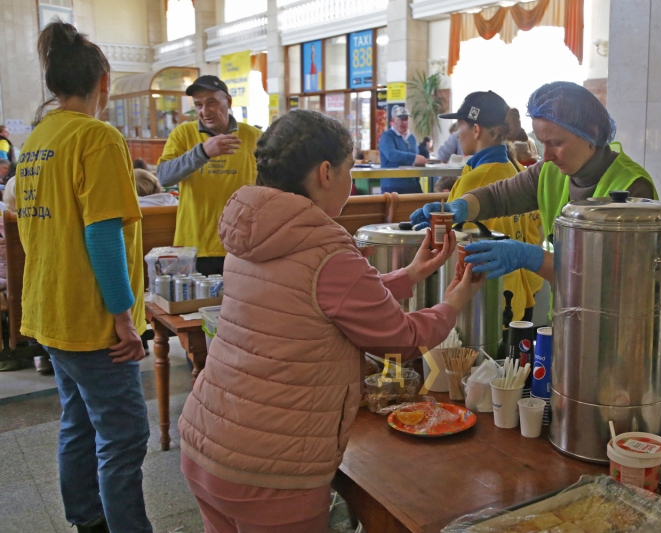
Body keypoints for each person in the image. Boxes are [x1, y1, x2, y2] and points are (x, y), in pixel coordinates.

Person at [178, 109, 485, 532]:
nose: (352, 182)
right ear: (325, 173)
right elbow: (401, 339)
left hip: (206, 444)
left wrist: (412, 275)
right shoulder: (327, 252)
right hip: (272, 473)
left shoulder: (251, 235)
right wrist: (456, 298)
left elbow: (325, 298)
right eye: (350, 169)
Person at [411, 81, 661, 368]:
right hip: (578, 329)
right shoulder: (551, 171)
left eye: (556, 143)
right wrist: (460, 208)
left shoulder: (632, 188)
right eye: (543, 143)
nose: (548, 154)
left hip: (630, 344)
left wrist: (529, 257)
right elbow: (500, 195)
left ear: (591, 133)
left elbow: (606, 281)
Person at [16, 21, 151, 533]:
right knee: (122, 434)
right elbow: (102, 235)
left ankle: (87, 520)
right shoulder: (96, 136)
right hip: (91, 318)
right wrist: (122, 318)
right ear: (103, 82)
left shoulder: (36, 140)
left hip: (50, 310)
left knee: (78, 420)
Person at [439, 91, 543, 321]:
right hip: (522, 295)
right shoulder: (517, 169)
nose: (457, 133)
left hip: (488, 301)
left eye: (460, 125)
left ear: (476, 130)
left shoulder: (475, 179)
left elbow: (449, 242)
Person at [157, 75, 259, 275]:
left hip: (243, 246)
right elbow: (164, 177)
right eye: (199, 105)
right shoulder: (182, 134)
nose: (205, 111)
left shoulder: (253, 136)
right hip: (194, 247)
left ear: (228, 101)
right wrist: (202, 153)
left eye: (211, 102)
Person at [378, 105, 427, 193]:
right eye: (401, 119)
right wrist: (414, 157)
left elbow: (414, 160)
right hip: (392, 185)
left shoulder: (411, 137)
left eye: (406, 119)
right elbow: (392, 154)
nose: (404, 122)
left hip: (412, 184)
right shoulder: (387, 136)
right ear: (393, 121)